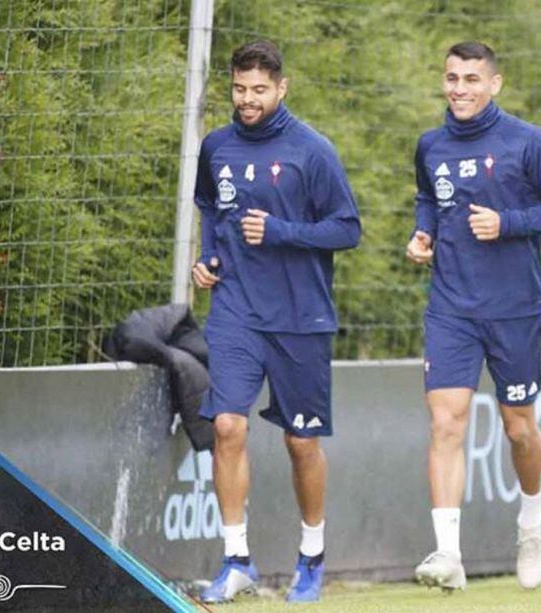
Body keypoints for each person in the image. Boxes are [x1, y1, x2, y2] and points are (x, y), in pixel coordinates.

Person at [406, 41, 541, 592]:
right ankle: (448, 554)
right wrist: (424, 231)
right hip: (451, 306)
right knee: (445, 422)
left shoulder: (526, 142)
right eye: (452, 78)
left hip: (514, 307)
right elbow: (427, 197)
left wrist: (507, 222)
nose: (460, 88)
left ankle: (531, 522)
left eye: (472, 79)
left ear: (495, 84)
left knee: (518, 427)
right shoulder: (430, 145)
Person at [190, 40, 361, 604]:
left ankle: (311, 556)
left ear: (281, 88)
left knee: (300, 442)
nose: (248, 100)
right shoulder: (215, 146)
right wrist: (209, 259)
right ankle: (235, 558)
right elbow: (213, 213)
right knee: (227, 427)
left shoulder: (312, 151)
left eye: (259, 90)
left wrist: (284, 231)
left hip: (300, 318)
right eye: (240, 89)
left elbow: (346, 228)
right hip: (236, 311)